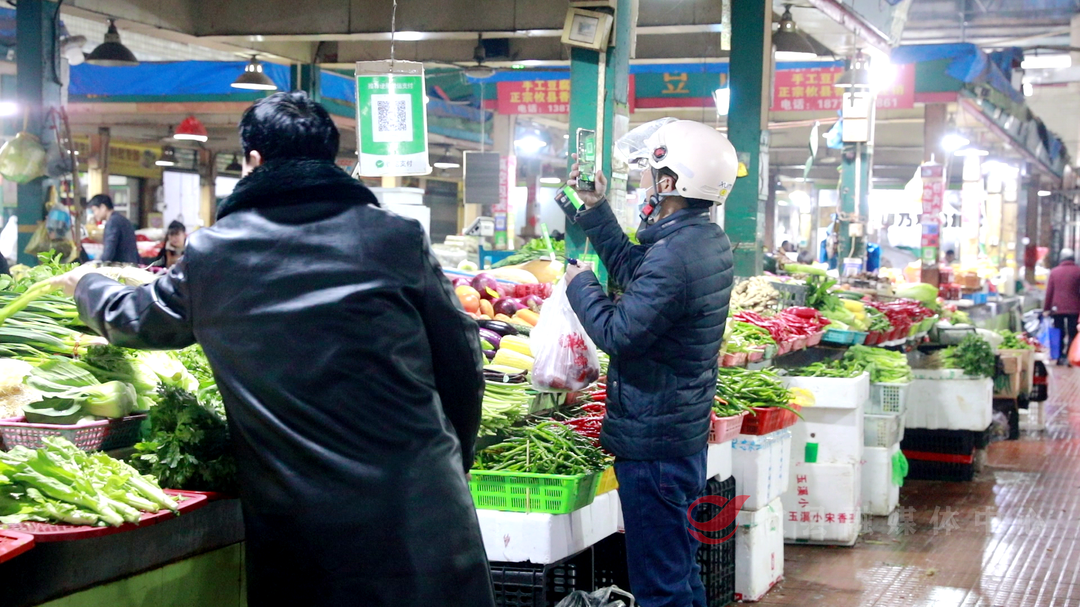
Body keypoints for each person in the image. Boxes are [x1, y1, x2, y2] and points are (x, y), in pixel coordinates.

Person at [51, 92, 494, 606]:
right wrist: (449, 460)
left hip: (304, 532)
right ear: (332, 161)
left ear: (253, 162)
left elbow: (135, 320)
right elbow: (461, 356)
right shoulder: (395, 237)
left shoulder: (215, 253)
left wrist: (88, 283)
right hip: (423, 514)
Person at [560, 118, 737, 607]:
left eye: (649, 173)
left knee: (659, 583)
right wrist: (595, 211)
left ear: (669, 183)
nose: (642, 182)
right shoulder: (701, 241)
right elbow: (635, 269)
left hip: (654, 439)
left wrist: (580, 285)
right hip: (676, 432)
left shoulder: (676, 255)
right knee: (677, 571)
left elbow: (618, 333)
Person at [1044, 247, 1080, 365]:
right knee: (1072, 332)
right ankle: (1070, 357)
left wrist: (1046, 309)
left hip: (1057, 308)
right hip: (1074, 308)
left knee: (1058, 332)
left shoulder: (1054, 272)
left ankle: (1058, 357)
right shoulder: (1078, 271)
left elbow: (1049, 292)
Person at [88, 194, 140, 265]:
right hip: (132, 264)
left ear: (103, 207)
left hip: (122, 267)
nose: (94, 214)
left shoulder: (112, 222)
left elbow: (109, 250)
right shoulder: (122, 219)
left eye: (94, 210)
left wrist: (99, 265)